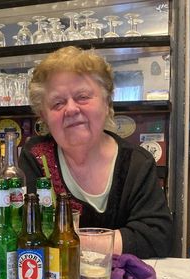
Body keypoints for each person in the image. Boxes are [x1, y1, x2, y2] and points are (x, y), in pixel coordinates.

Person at [19, 46, 173, 259]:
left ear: (107, 102)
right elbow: (28, 234)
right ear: (43, 116)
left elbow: (156, 239)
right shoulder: (36, 156)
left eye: (82, 96)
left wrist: (70, 240)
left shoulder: (136, 163)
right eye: (58, 103)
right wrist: (115, 241)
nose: (71, 109)